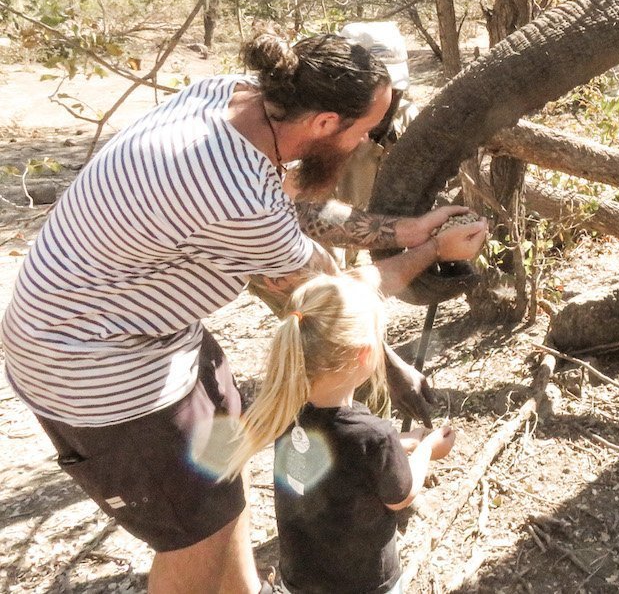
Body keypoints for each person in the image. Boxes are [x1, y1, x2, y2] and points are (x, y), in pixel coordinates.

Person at [0, 33, 487, 594]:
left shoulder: (224, 98)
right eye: (365, 131)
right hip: (100, 375)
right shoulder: (239, 202)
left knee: (220, 497)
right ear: (327, 123)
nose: (362, 143)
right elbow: (340, 296)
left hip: (150, 337)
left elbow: (289, 205)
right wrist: (430, 252)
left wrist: (401, 230)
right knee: (193, 543)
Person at [222, 274, 455, 594]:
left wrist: (406, 441)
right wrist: (428, 448)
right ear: (364, 355)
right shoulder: (375, 435)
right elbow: (403, 496)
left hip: (301, 581)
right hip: (366, 585)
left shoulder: (288, 416)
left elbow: (342, 458)